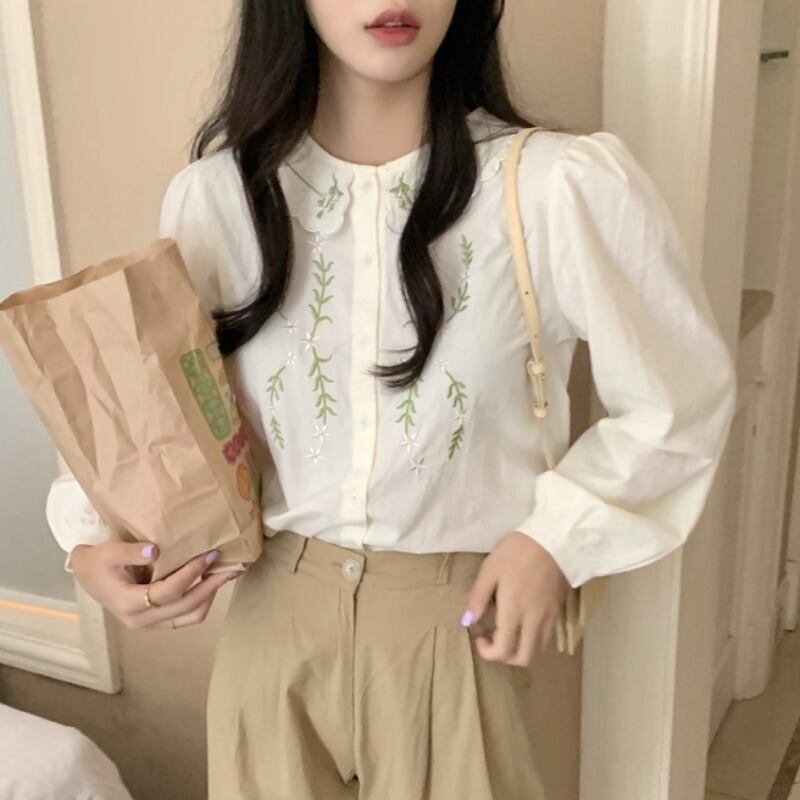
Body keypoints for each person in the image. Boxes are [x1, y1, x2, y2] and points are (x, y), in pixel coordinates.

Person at [45, 1, 738, 798]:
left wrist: (556, 538)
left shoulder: (555, 186)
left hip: (451, 632)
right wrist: (90, 541)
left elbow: (678, 400)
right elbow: (160, 401)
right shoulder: (221, 196)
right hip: (272, 627)